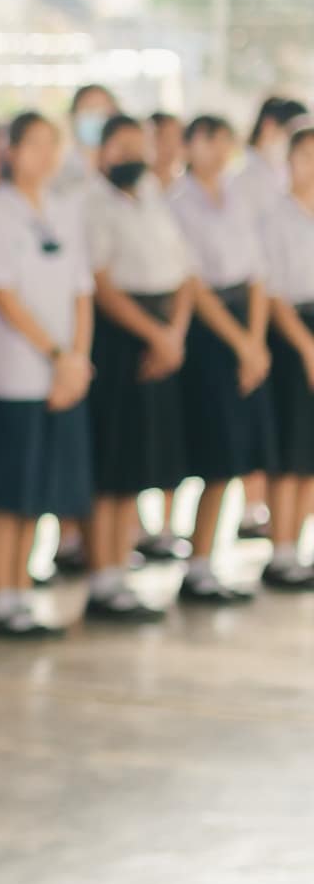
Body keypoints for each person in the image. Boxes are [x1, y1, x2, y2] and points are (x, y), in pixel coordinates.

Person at [0, 113, 93, 640]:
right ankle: (0, 597)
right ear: (10, 151)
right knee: (2, 492)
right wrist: (57, 353)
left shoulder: (64, 209)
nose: (43, 155)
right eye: (32, 144)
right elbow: (2, 292)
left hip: (59, 374)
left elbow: (82, 289)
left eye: (51, 144)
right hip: (7, 373)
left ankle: (22, 591)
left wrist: (76, 359)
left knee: (36, 487)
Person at [83, 115, 192, 621]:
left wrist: (174, 335)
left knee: (135, 463)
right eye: (121, 146)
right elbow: (101, 285)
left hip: (162, 334)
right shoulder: (92, 203)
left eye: (138, 146)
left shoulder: (152, 197)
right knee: (111, 462)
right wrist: (154, 335)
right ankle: (102, 578)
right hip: (120, 338)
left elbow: (184, 271)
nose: (131, 156)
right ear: (103, 151)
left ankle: (121, 570)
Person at [168, 115, 274, 602]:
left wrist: (255, 341)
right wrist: (239, 342)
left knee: (237, 455)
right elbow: (192, 282)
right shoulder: (177, 201)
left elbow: (257, 271)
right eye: (208, 140)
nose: (217, 150)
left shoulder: (238, 197)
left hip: (246, 325)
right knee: (214, 451)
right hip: (209, 333)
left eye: (224, 141)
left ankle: (210, 559)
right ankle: (197, 562)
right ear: (190, 145)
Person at [260, 121, 314, 590]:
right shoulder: (273, 216)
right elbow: (274, 293)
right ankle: (281, 552)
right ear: (290, 161)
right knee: (291, 448)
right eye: (307, 157)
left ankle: (299, 546)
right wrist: (307, 347)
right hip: (292, 331)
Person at [150, 111, 186, 191]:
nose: (171, 145)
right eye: (165, 138)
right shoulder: (137, 184)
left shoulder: (184, 186)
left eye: (176, 138)